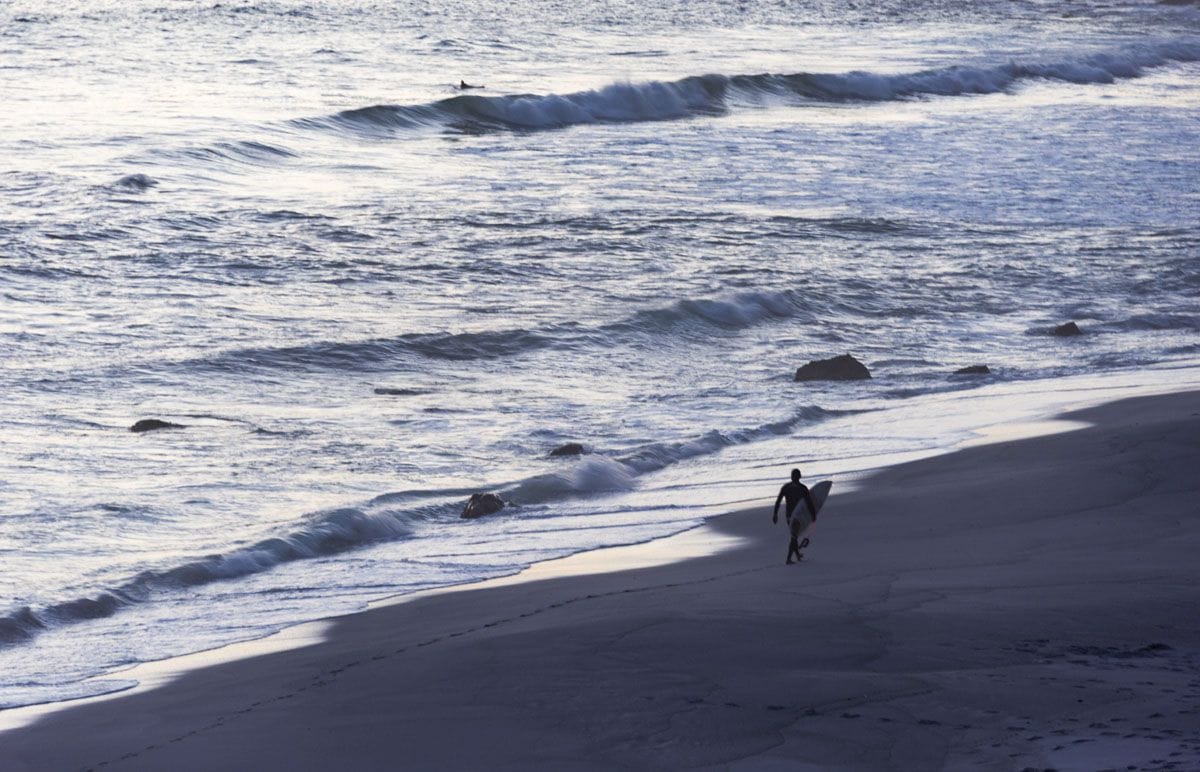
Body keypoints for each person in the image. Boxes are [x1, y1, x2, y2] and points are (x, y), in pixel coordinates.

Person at [773, 468, 817, 564]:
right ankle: (788, 559)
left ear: (792, 477)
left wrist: (775, 514)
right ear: (800, 476)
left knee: (794, 535)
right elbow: (809, 503)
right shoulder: (803, 488)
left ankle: (797, 555)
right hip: (797, 516)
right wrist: (813, 514)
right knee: (794, 537)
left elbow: (778, 501)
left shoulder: (786, 487)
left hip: (789, 516)